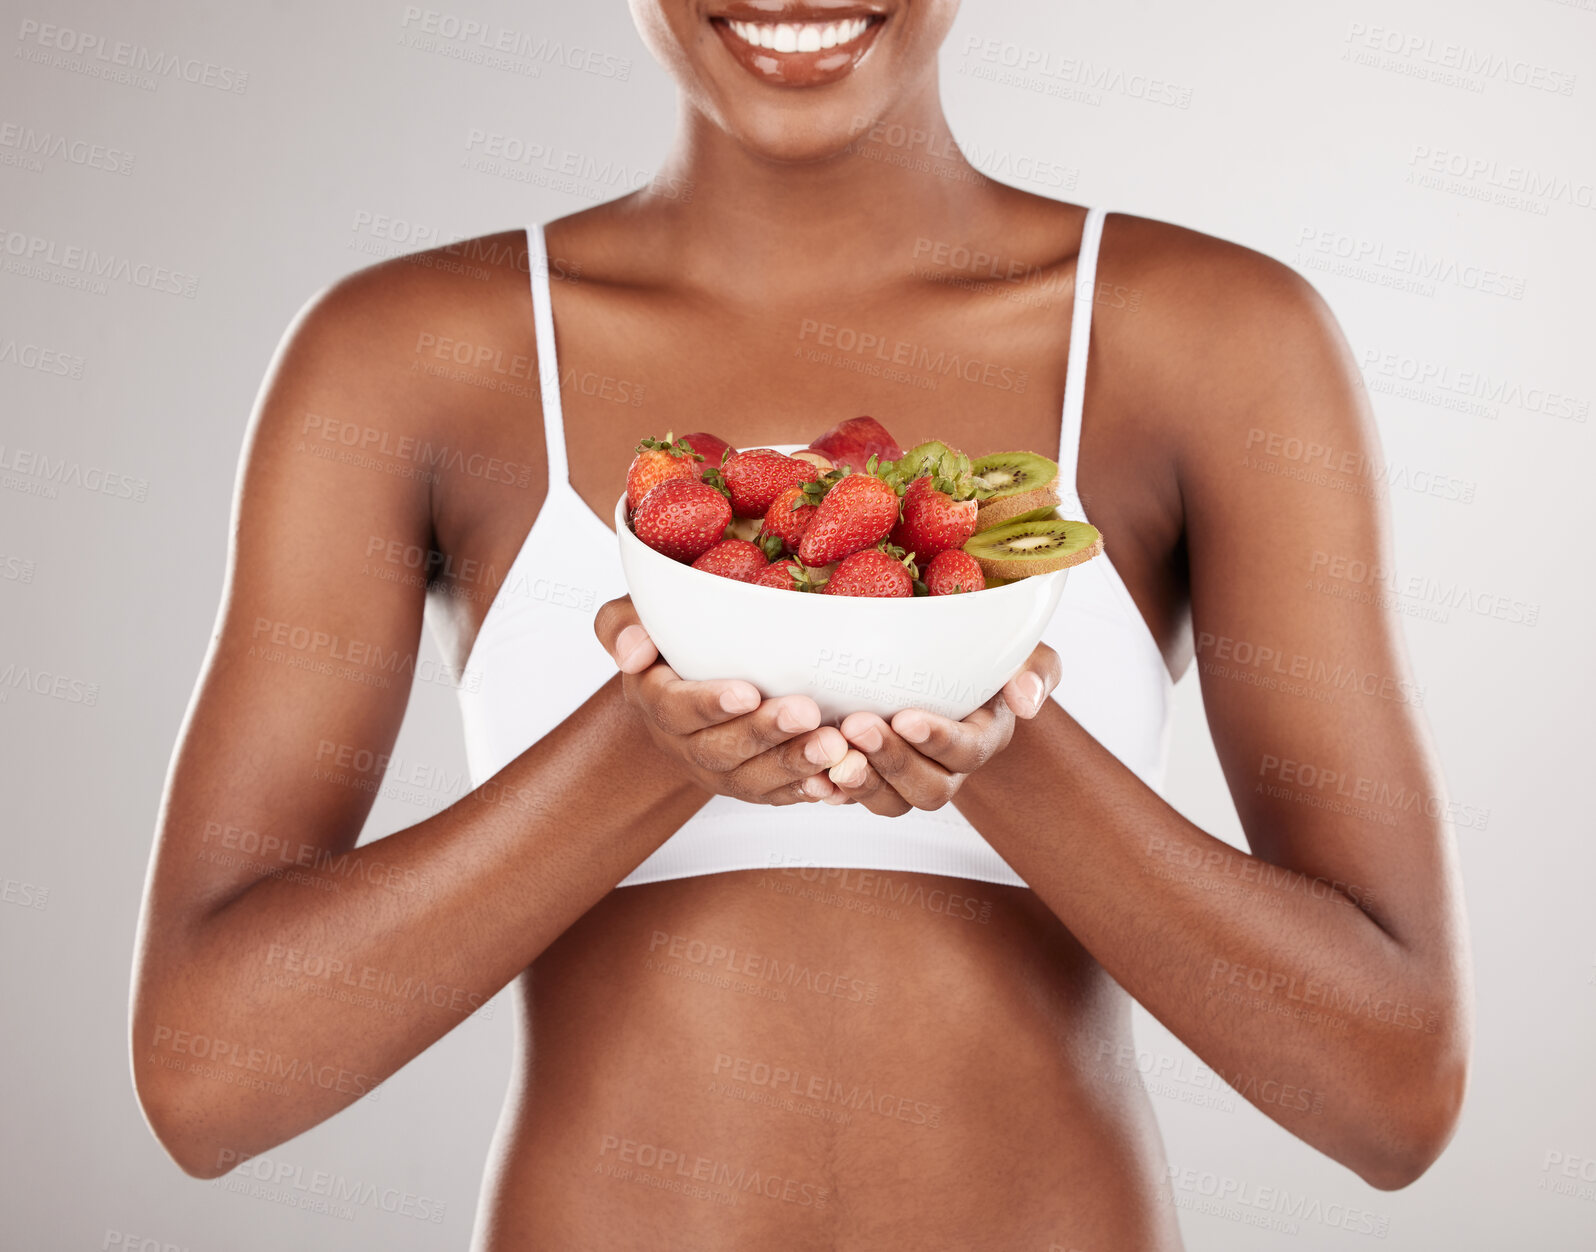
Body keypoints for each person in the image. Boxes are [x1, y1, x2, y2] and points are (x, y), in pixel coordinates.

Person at [130, 2, 1473, 1246]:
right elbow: (208, 1084)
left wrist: (993, 731)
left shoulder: (1218, 341)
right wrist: (645, 747)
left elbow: (1391, 1096)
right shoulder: (408, 354)